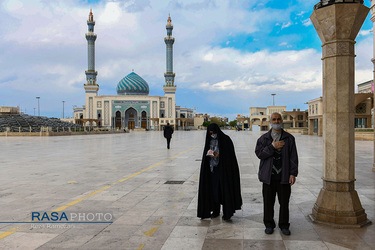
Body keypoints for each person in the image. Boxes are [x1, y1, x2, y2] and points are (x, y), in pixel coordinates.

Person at [255, 112, 298, 235]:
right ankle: (269, 224)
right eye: (274, 119)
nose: (277, 121)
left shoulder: (289, 138)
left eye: (279, 119)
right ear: (270, 121)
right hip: (268, 177)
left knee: (284, 202)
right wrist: (272, 146)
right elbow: (259, 154)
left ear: (281, 121)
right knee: (268, 202)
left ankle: (284, 225)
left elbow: (293, 157)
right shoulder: (263, 139)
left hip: (283, 177)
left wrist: (292, 173)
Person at [197, 123, 242, 220]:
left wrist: (219, 155)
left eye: (213, 132)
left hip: (224, 170)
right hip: (212, 170)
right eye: (210, 133)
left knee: (224, 190)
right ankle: (215, 211)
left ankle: (227, 212)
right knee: (214, 191)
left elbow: (230, 156)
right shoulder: (209, 140)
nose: (212, 134)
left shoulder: (226, 140)